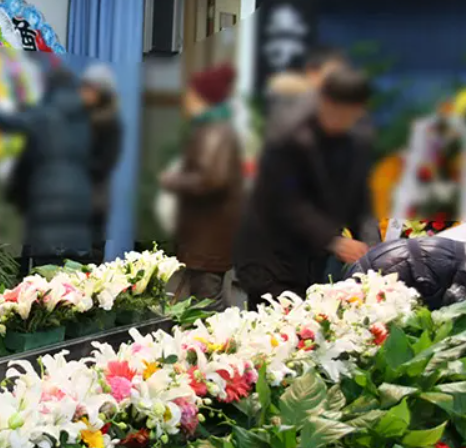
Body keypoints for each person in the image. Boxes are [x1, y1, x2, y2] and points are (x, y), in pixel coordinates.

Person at [235, 67, 375, 309]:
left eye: (349, 116)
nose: (340, 122)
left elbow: (359, 199)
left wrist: (373, 251)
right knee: (276, 332)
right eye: (335, 113)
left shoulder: (355, 141)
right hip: (271, 256)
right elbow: (286, 201)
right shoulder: (288, 136)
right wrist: (335, 241)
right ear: (323, 102)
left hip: (310, 256)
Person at [0, 66, 92, 271]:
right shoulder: (82, 118)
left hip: (47, 192)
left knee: (47, 266)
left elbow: (7, 122)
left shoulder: (45, 115)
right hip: (79, 192)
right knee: (73, 266)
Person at [160, 64, 243, 308]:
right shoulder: (212, 128)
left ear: (202, 98)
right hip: (207, 236)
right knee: (206, 299)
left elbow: (212, 179)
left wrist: (172, 180)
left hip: (208, 238)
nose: (185, 99)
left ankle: (219, 346)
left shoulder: (214, 132)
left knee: (207, 305)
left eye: (190, 94)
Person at [80, 63, 123, 262]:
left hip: (94, 196)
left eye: (90, 88)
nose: (84, 93)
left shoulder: (109, 122)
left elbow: (106, 162)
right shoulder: (79, 117)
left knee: (92, 254)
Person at [266, 46, 349, 135]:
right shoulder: (289, 92)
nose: (340, 79)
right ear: (312, 72)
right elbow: (279, 83)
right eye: (335, 73)